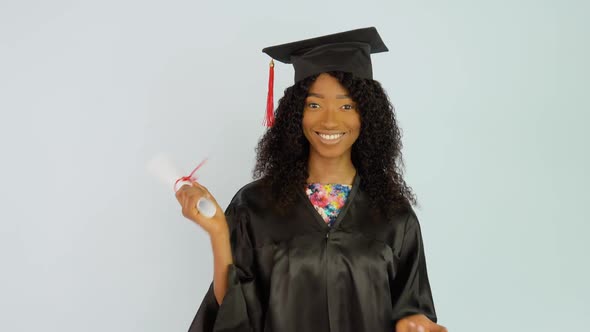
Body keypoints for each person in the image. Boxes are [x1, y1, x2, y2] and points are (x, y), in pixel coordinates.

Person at [175, 27, 447, 332]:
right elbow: (234, 311)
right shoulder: (255, 206)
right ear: (296, 113)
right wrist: (218, 234)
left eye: (347, 105)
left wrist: (415, 324)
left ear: (367, 115)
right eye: (314, 105)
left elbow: (412, 308)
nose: (330, 120)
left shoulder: (394, 214)